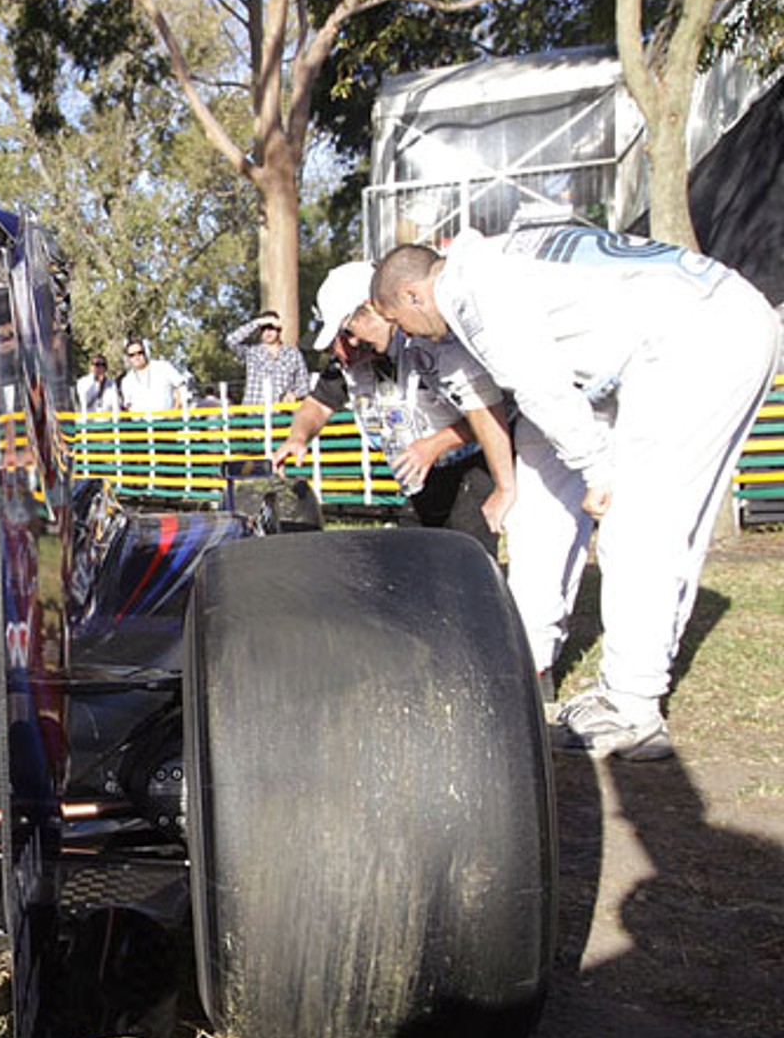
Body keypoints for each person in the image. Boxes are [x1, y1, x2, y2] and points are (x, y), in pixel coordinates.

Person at [373, 227, 782, 760]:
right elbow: (538, 422)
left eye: (399, 322)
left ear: (412, 295)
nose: (410, 336)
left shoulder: (470, 291)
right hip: (642, 348)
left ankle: (632, 703)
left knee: (641, 522)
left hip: (700, 334)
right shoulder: (489, 266)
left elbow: (540, 385)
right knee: (538, 494)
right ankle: (519, 663)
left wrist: (597, 470)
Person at [272, 261, 516, 556]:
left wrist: (436, 444)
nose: (341, 351)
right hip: (421, 477)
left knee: (466, 559)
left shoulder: (432, 343)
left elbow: (488, 410)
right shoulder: (350, 367)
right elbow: (317, 405)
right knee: (410, 564)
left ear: (372, 311)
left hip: (472, 468)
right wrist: (298, 438)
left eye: (346, 335)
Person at [226, 310, 310, 406]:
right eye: (263, 328)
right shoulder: (251, 351)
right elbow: (231, 341)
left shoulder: (293, 354)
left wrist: (295, 395)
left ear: (279, 329)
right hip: (254, 414)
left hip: (282, 415)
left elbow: (304, 385)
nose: (267, 331)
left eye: (271, 327)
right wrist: (257, 322)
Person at [118, 339, 189, 413]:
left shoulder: (163, 367)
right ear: (128, 358)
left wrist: (176, 410)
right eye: (132, 355)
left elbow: (181, 385)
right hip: (140, 423)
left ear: (145, 353)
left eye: (140, 353)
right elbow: (128, 407)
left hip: (166, 422)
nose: (137, 357)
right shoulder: (126, 381)